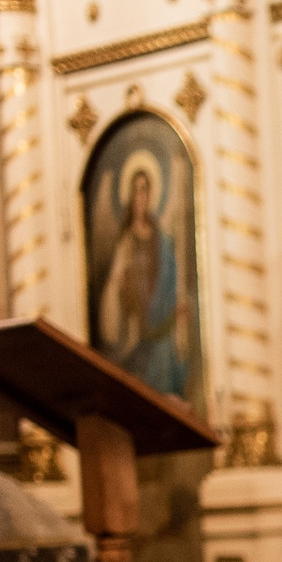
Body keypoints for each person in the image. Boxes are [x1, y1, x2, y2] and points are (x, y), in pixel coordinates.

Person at [98, 164, 193, 402]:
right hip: (136, 330)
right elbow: (114, 287)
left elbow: (174, 281)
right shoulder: (126, 242)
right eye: (137, 190)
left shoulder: (163, 240)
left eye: (145, 190)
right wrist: (120, 286)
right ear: (130, 196)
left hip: (162, 331)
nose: (141, 196)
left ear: (151, 195)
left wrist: (178, 307)